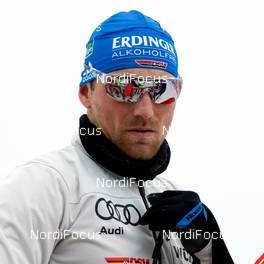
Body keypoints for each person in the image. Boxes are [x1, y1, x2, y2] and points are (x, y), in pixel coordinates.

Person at [0, 10, 234, 264]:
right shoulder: (44, 186)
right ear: (86, 93)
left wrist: (210, 249)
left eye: (162, 90)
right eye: (123, 88)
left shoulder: (173, 197)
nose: (145, 111)